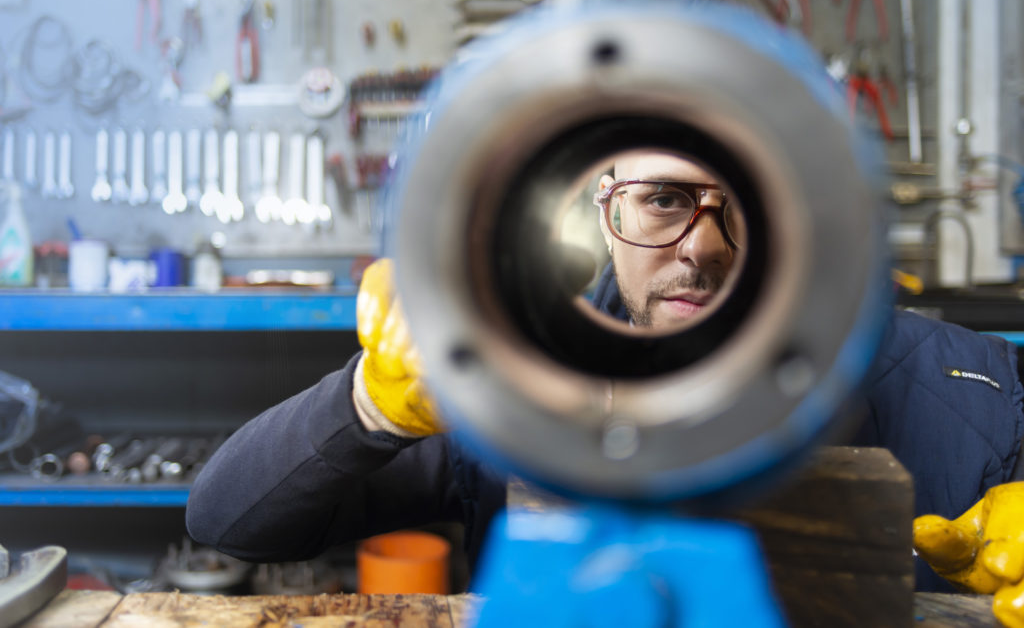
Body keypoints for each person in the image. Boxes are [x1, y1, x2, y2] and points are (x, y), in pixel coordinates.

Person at [185, 151, 1024, 597]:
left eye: (741, 207)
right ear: (608, 213)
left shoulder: (965, 390)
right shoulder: (520, 384)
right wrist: (371, 405)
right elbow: (230, 518)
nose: (701, 245)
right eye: (664, 199)